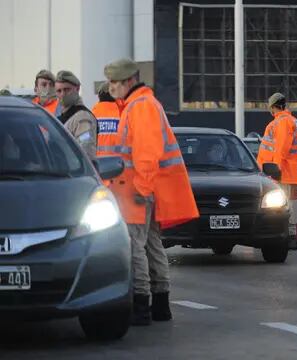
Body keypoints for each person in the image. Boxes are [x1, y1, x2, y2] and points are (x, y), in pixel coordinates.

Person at [104, 58, 199, 326]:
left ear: (130, 81)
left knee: (136, 247)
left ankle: (142, 307)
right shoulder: (141, 105)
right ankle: (160, 306)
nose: (111, 88)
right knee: (151, 245)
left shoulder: (140, 107)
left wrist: (141, 190)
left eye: (115, 82)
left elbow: (147, 153)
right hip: (145, 189)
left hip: (137, 190)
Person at [256, 92, 297, 249]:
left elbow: (282, 148)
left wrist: (275, 168)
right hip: (287, 172)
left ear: (272, 107)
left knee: (286, 206)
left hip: (283, 173)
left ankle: (290, 238)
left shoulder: (282, 122)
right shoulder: (286, 121)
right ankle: (292, 237)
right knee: (290, 205)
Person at [55, 70, 97, 159]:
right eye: (59, 91)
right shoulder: (61, 117)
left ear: (77, 89)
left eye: (67, 89)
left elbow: (86, 150)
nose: (63, 94)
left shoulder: (82, 117)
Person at [93, 81, 122, 158]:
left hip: (98, 163)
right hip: (118, 162)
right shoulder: (122, 112)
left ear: (99, 96)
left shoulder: (92, 113)